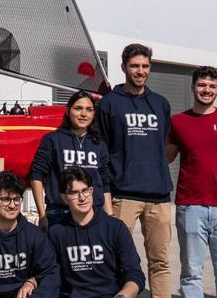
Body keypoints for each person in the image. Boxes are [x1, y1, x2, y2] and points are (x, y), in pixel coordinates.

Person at [95, 43, 174, 297]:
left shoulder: (160, 104)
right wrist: (106, 197)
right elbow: (101, 152)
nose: (140, 71)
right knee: (116, 261)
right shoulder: (109, 104)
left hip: (159, 196)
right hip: (123, 195)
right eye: (135, 66)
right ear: (123, 67)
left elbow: (163, 145)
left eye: (145, 66)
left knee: (160, 262)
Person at [166, 66, 217, 298]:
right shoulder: (178, 122)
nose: (207, 90)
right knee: (191, 273)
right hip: (190, 207)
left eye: (212, 86)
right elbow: (166, 158)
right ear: (193, 87)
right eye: (202, 85)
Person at [47, 166, 144, 298]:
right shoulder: (56, 233)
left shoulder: (116, 228)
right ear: (64, 197)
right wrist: (31, 282)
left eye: (85, 190)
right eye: (74, 193)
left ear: (91, 191)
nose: (82, 198)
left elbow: (135, 274)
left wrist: (122, 296)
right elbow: (49, 274)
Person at [29, 92, 112, 230]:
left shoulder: (99, 144)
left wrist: (109, 214)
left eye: (89, 110)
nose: (84, 114)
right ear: (68, 111)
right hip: (59, 214)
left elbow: (104, 182)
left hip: (93, 214)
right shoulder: (52, 140)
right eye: (78, 108)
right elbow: (36, 175)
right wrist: (42, 214)